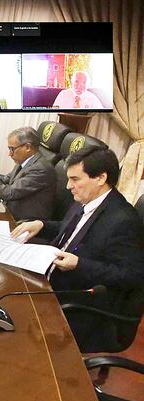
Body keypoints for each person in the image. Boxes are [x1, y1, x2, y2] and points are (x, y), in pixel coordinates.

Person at [12, 148, 144, 352]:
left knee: (16, 330)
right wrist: (42, 225)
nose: (68, 186)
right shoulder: (86, 199)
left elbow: (131, 275)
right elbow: (72, 230)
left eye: (75, 179)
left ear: (100, 178)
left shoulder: (123, 220)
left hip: (82, 305)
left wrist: (79, 264)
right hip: (50, 281)